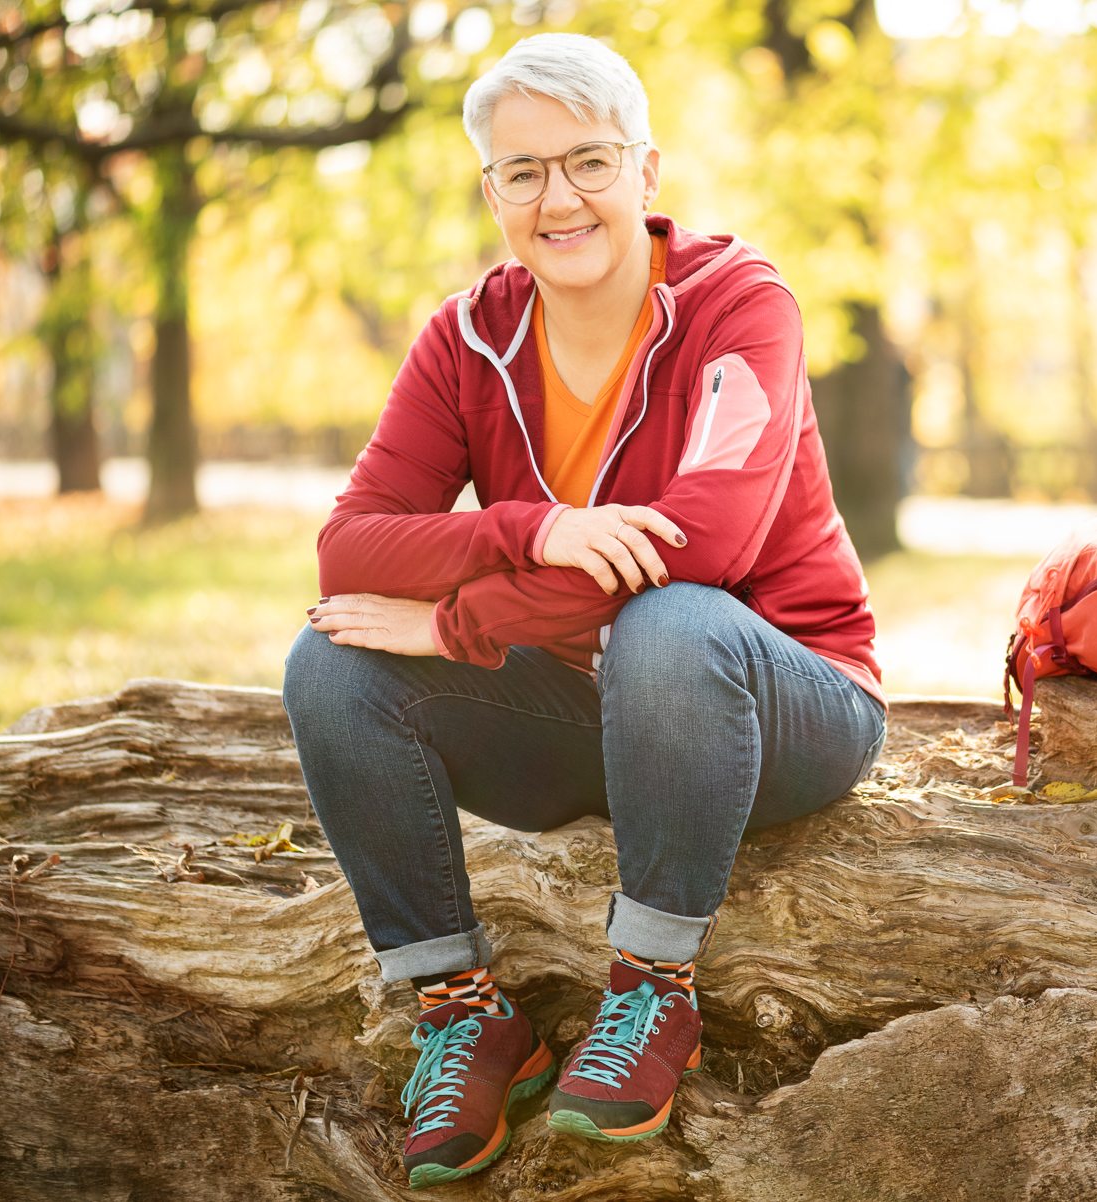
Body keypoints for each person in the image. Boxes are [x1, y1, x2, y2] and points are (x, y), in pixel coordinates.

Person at [282, 33, 884, 1191]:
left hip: (785, 703)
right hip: (598, 717)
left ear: (646, 173)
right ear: (493, 192)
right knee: (333, 664)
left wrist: (462, 622)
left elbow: (698, 546)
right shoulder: (468, 336)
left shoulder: (736, 303)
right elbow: (350, 546)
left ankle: (653, 988)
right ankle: (464, 1014)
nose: (559, 198)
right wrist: (532, 526)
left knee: (672, 622)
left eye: (589, 162)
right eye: (524, 172)